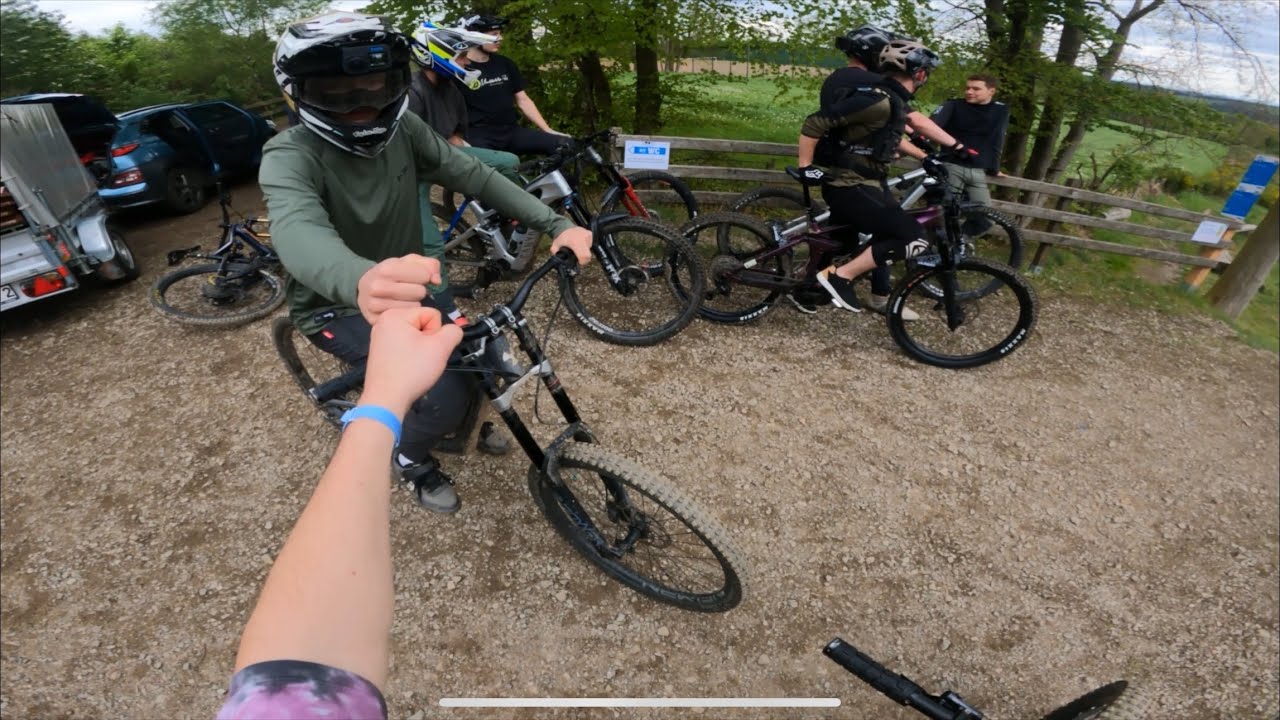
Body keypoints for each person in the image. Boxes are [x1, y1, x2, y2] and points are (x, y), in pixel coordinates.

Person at [262, 10, 592, 515]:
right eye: (337, 93)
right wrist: (359, 279)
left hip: (413, 285)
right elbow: (295, 228)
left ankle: (464, 423)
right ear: (299, 93)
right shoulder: (289, 155)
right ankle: (411, 457)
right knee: (440, 395)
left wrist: (555, 222)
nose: (362, 106)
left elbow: (474, 174)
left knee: (486, 357)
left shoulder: (405, 131)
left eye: (376, 87)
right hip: (339, 302)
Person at [218, 306, 461, 720]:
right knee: (441, 399)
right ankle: (409, 458)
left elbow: (294, 675)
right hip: (327, 310)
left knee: (473, 370)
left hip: (400, 312)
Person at [785, 25, 971, 319]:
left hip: (863, 183)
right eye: (927, 73)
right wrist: (805, 167)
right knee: (913, 238)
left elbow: (886, 138)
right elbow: (814, 123)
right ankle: (839, 278)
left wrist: (926, 158)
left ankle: (807, 288)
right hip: (851, 185)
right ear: (920, 74)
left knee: (844, 243)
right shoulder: (878, 100)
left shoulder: (892, 102)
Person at [408, 20, 521, 256]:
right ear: (437, 56)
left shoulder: (450, 88)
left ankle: (510, 218)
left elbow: (458, 130)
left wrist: (462, 155)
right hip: (414, 168)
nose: (467, 61)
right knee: (430, 244)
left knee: (508, 161)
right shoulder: (412, 91)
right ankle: (437, 278)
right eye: (461, 56)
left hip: (443, 154)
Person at [453, 12, 566, 155]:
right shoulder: (457, 69)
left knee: (564, 144)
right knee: (503, 165)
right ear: (473, 36)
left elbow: (523, 100)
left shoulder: (505, 64)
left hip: (511, 131)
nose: (500, 38)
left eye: (500, 33)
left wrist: (547, 129)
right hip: (478, 136)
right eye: (494, 34)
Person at [929, 73, 1010, 234]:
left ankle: (958, 244)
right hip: (951, 166)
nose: (969, 92)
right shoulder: (953, 105)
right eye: (967, 88)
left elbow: (997, 139)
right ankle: (930, 246)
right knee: (943, 215)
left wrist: (994, 168)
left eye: (976, 89)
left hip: (978, 170)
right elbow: (931, 128)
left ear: (991, 91)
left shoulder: (1000, 110)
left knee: (985, 219)